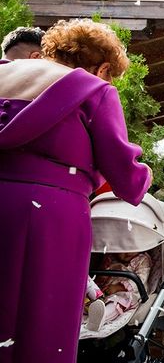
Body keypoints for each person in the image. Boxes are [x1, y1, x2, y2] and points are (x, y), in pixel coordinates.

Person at [0, 19, 152, 363]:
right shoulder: (94, 90)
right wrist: (145, 173)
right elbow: (128, 180)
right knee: (42, 325)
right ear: (102, 67)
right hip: (51, 220)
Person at [85, 251, 152, 332]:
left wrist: (119, 287)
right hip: (107, 291)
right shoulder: (110, 257)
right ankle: (83, 316)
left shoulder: (142, 260)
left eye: (132, 248)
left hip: (128, 294)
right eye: (124, 249)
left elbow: (141, 279)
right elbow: (102, 274)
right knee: (92, 298)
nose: (129, 252)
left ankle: (100, 318)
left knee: (115, 304)